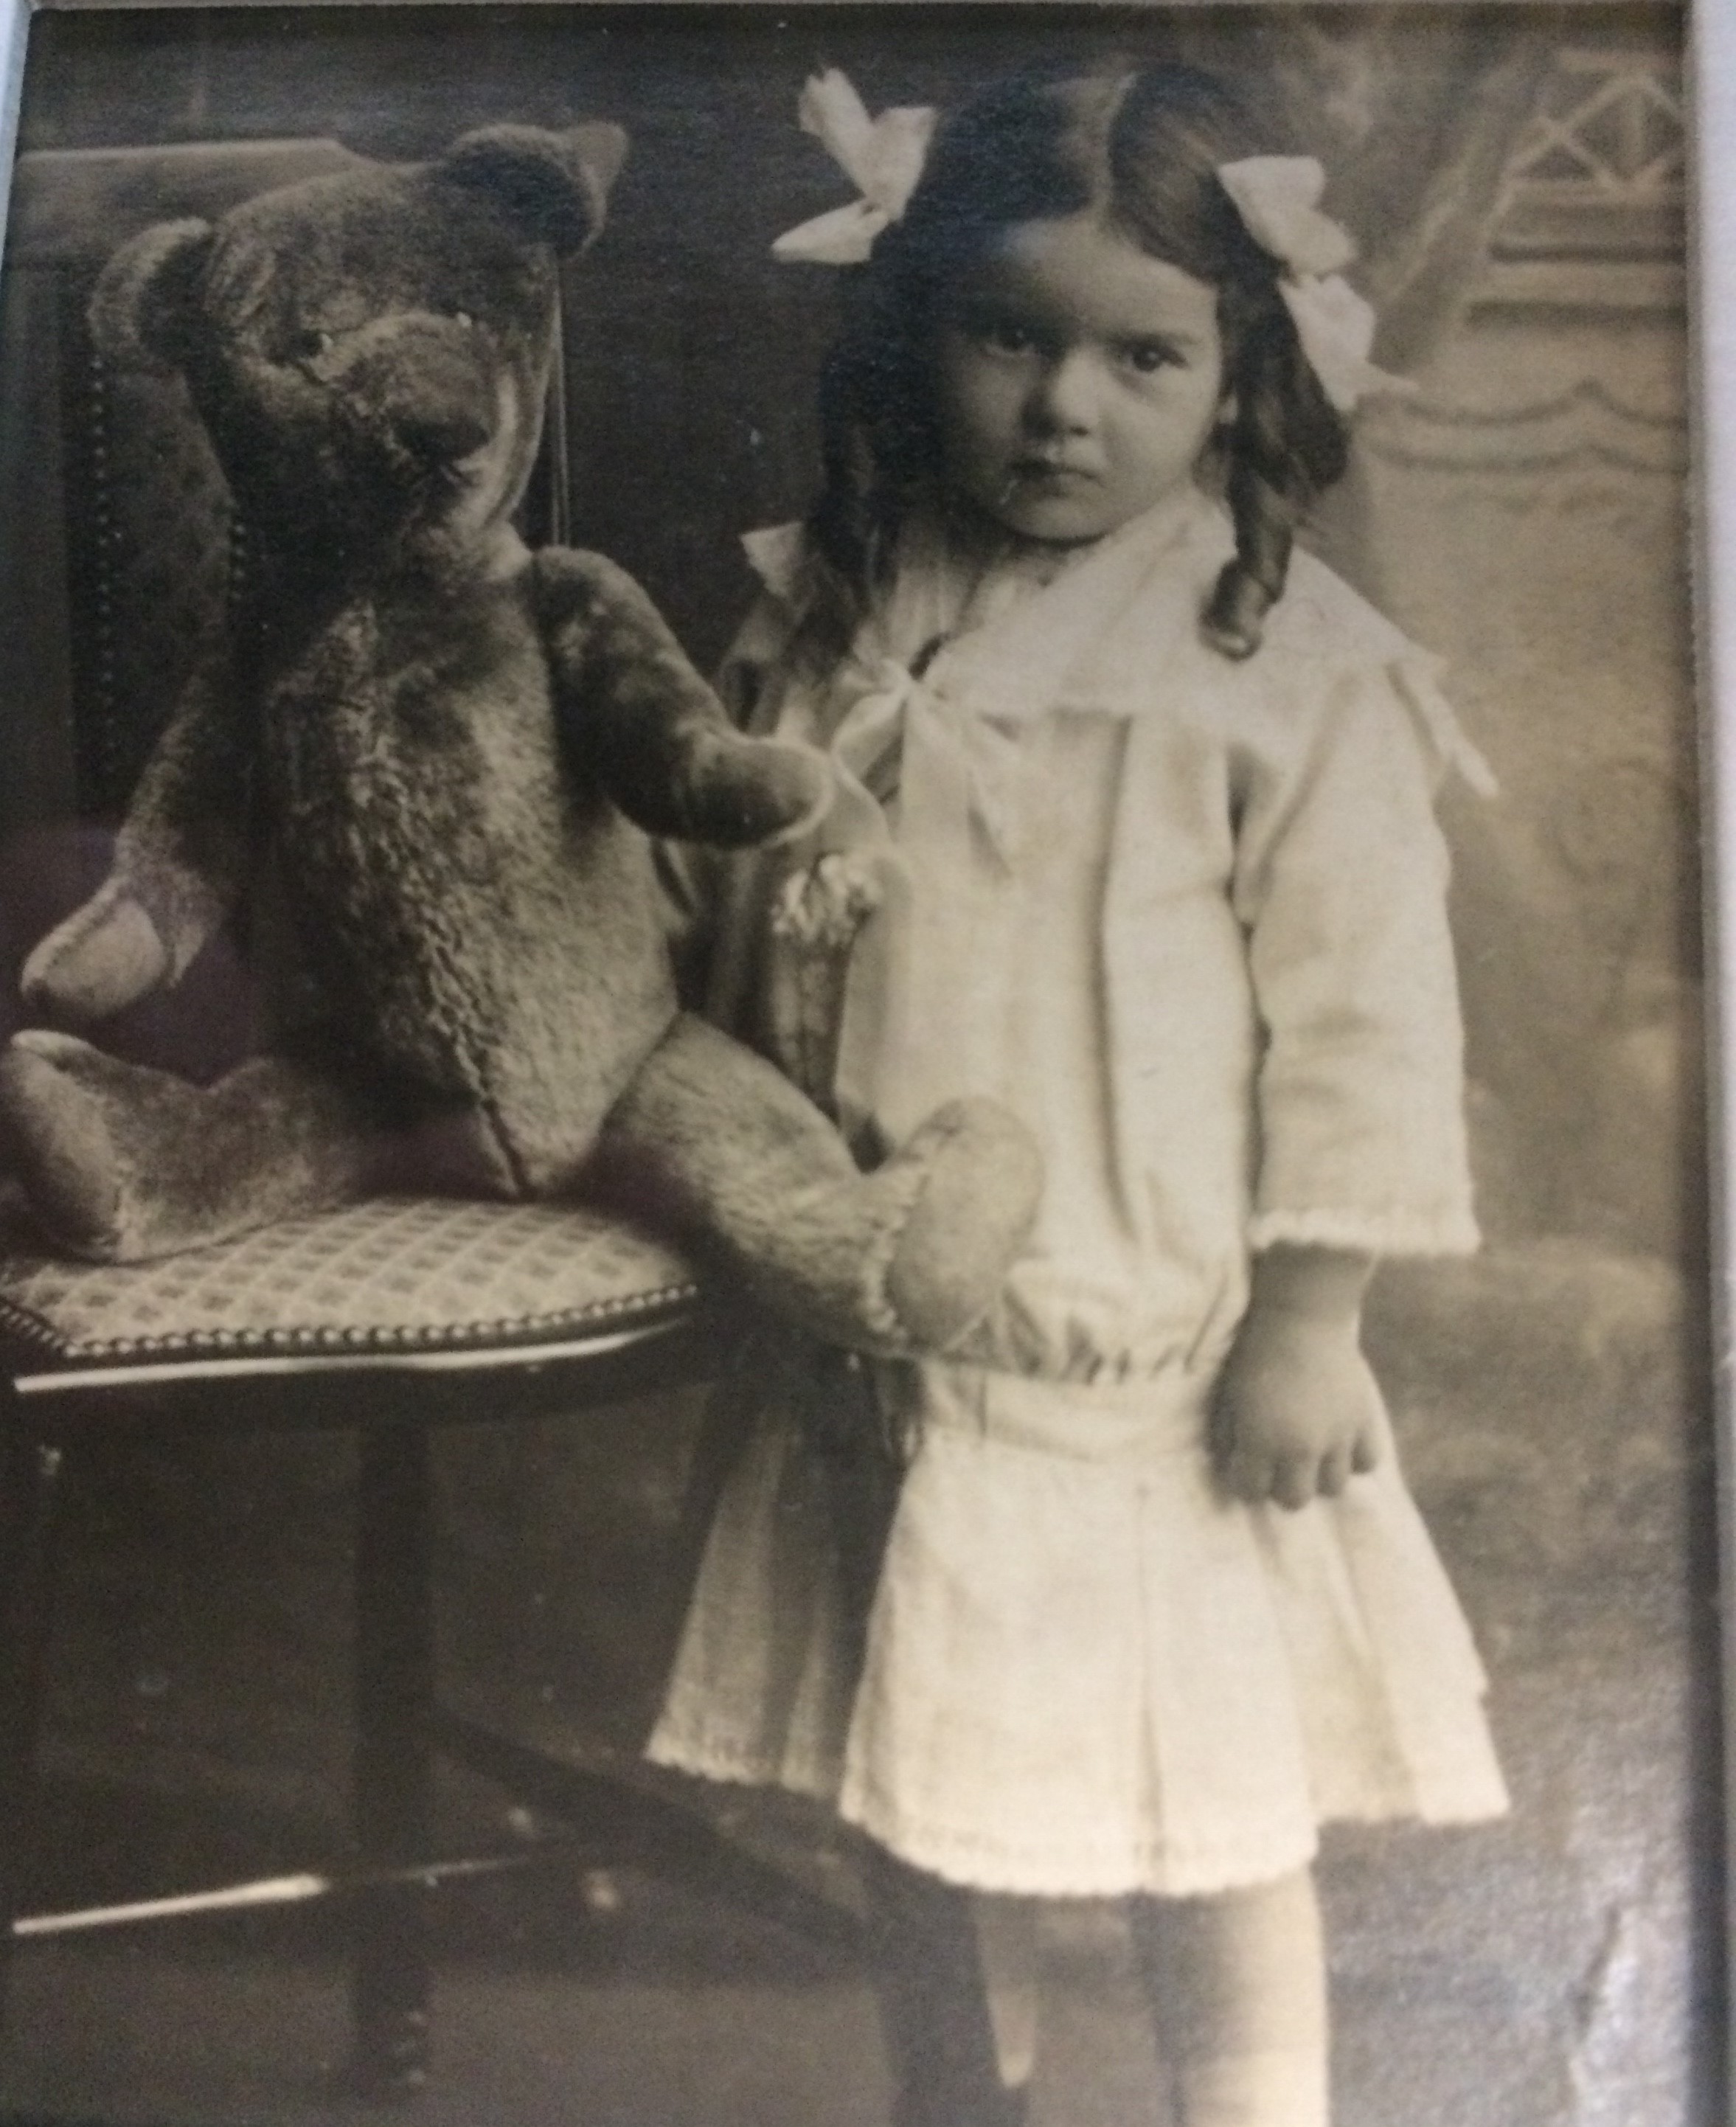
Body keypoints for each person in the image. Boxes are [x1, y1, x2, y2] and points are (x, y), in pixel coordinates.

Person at [645, 62, 1509, 2127]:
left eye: (1141, 355)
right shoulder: (841, 602)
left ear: (1239, 370)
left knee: (1209, 1814)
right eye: (1005, 337)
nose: (1060, 409)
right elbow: (725, 883)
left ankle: (1252, 2102)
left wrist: (1310, 1321)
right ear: (911, 328)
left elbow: (1367, 1022)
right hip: (883, 1335)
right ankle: (974, 2095)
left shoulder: (1276, 655)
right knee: (930, 1789)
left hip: (1149, 1360)